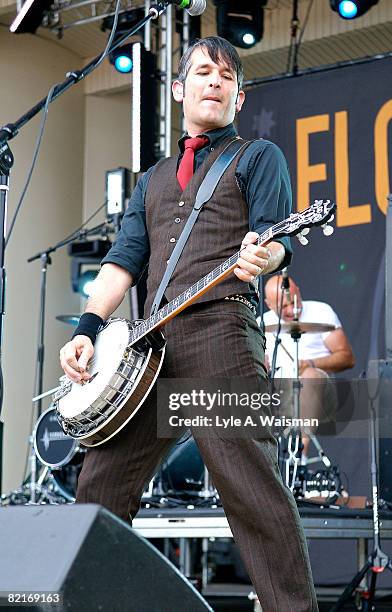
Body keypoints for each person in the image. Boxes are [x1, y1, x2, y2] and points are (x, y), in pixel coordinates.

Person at [60, 37, 318, 611]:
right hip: (147, 355)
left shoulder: (258, 157)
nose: (214, 82)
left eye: (226, 76)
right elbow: (123, 261)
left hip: (222, 337)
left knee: (254, 493)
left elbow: (277, 240)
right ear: (179, 89)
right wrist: (86, 328)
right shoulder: (151, 180)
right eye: (203, 72)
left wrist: (264, 255)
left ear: (239, 96)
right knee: (98, 489)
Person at [263, 274, 355, 457]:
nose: (292, 309)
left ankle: (300, 456)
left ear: (298, 291)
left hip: (320, 393)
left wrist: (310, 364)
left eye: (295, 301)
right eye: (284, 307)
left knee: (310, 377)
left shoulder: (321, 312)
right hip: (279, 396)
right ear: (269, 304)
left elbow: (348, 358)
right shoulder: (262, 324)